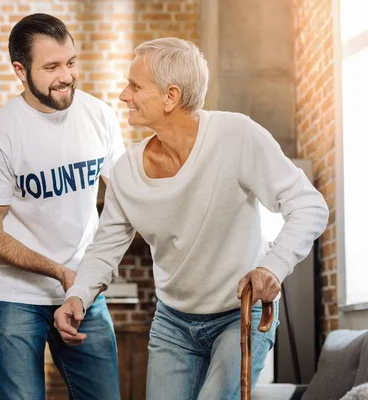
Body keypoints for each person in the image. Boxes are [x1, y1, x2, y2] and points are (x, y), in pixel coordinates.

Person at [54, 37, 329, 400]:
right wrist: (77, 296)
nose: (123, 95)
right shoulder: (126, 172)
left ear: (171, 96)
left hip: (238, 316)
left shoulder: (236, 136)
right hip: (173, 323)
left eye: (135, 86)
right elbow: (104, 250)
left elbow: (309, 206)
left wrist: (272, 267)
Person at [0, 13, 124, 400]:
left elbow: (128, 198)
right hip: (16, 297)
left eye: (71, 62)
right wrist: (58, 271)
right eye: (52, 66)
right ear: (20, 71)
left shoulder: (100, 117)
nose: (66, 75)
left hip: (84, 292)